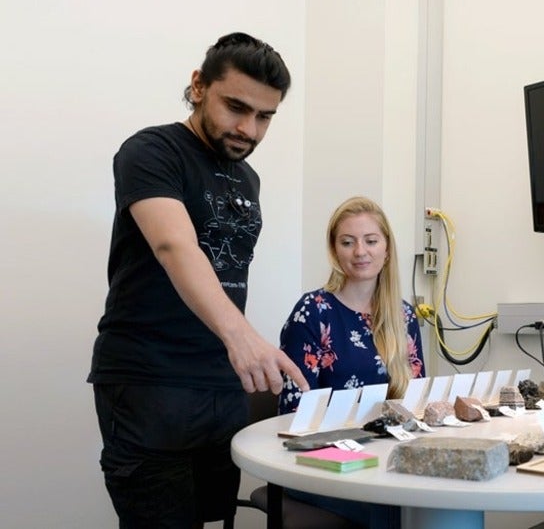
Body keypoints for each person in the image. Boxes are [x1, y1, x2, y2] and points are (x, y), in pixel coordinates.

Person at [88, 32, 309, 528]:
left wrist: (237, 354)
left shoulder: (246, 179)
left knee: (211, 519)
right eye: (236, 107)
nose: (249, 128)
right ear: (198, 86)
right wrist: (244, 338)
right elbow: (175, 247)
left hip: (220, 383)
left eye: (265, 116)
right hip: (150, 383)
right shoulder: (151, 151)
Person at [278, 196, 425, 529]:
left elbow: (414, 400)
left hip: (382, 460)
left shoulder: (403, 315)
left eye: (371, 241)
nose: (361, 251)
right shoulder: (313, 312)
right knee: (392, 509)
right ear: (335, 251)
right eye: (348, 242)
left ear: (387, 249)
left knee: (430, 496)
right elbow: (293, 413)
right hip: (319, 465)